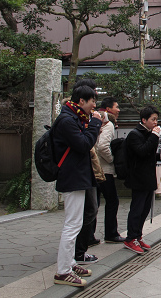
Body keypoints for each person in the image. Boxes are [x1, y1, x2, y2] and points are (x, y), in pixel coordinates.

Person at [53, 85, 102, 287]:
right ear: (81, 101)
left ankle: (70, 263)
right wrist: (95, 124)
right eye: (92, 101)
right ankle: (63, 271)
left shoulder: (74, 117)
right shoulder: (67, 120)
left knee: (76, 222)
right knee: (72, 224)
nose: (94, 106)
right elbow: (83, 144)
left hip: (77, 176)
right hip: (72, 176)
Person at [123, 106, 161, 254]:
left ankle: (138, 235)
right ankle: (130, 238)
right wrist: (154, 137)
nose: (156, 123)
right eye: (153, 119)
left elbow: (148, 153)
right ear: (144, 120)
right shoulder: (135, 135)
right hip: (138, 177)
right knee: (137, 208)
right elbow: (141, 152)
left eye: (157, 119)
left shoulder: (148, 134)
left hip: (148, 176)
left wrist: (159, 156)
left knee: (145, 209)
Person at [93, 98, 125, 244]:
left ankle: (89, 236)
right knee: (112, 201)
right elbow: (102, 146)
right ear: (108, 109)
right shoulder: (108, 124)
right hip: (104, 170)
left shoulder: (95, 121)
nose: (118, 110)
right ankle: (111, 233)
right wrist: (112, 159)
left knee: (94, 204)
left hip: (92, 169)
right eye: (116, 107)